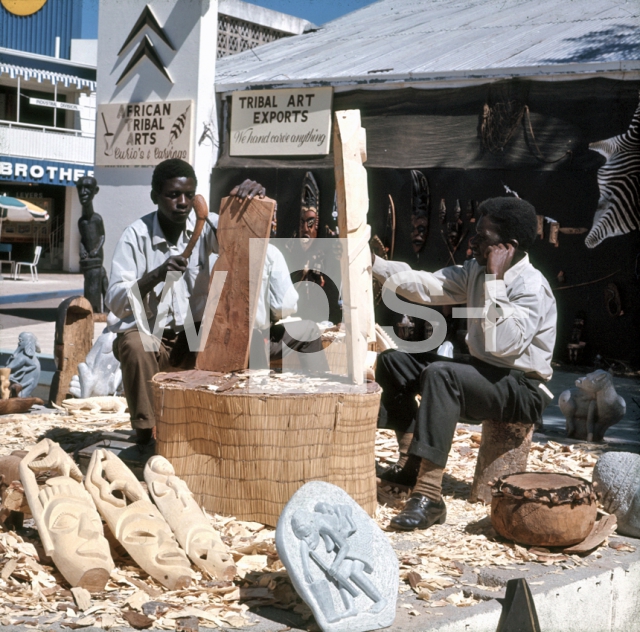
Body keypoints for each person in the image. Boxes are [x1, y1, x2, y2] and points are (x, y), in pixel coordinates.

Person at [373, 197, 556, 532]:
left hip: (522, 387)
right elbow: (427, 285)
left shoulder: (531, 287)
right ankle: (410, 462)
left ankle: (429, 496)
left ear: (506, 248)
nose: (473, 241)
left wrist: (495, 282)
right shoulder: (476, 270)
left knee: (442, 374)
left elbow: (503, 345)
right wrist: (372, 263)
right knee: (393, 362)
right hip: (485, 373)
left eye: (482, 237)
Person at [106, 159, 264, 445]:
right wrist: (155, 275)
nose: (183, 202)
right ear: (155, 197)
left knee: (247, 340)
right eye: (173, 195)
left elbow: (242, 237)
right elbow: (116, 301)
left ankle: (233, 428)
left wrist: (247, 200)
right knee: (135, 345)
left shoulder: (207, 226)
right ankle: (147, 433)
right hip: (152, 337)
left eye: (189, 195)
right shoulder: (135, 236)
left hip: (193, 336)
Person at [76, 176, 108, 313]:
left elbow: (102, 236)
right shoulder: (81, 222)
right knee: (92, 281)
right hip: (88, 261)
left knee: (100, 279)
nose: (83, 192)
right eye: (79, 188)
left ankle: (100, 309)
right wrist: (82, 249)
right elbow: (82, 238)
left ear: (95, 191)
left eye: (87, 188)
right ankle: (92, 309)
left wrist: (96, 249)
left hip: (96, 258)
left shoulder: (97, 219)